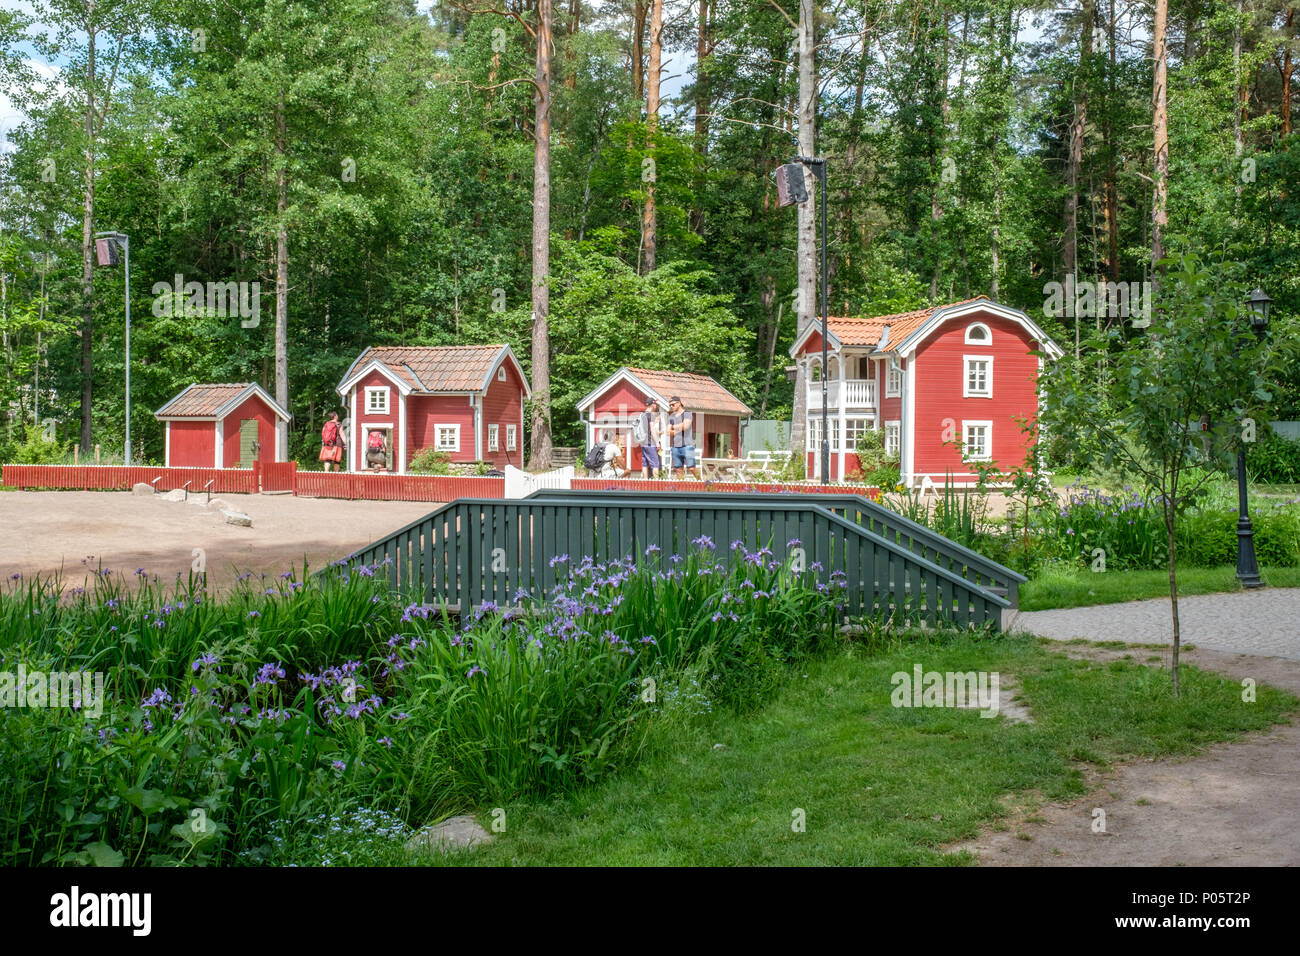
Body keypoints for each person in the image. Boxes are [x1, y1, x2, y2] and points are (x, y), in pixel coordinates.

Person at [666, 395, 695, 479]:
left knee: (691, 468)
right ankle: (681, 488)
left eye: (673, 404)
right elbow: (668, 432)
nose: (671, 406)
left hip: (688, 445)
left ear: (679, 403)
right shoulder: (671, 416)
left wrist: (674, 427)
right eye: (670, 405)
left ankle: (702, 483)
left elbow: (686, 426)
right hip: (675, 446)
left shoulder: (687, 413)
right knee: (678, 469)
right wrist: (679, 427)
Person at [634, 397, 662, 478]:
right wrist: (657, 443)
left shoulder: (642, 415)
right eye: (655, 404)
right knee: (655, 464)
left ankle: (645, 482)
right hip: (651, 444)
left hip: (643, 444)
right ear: (652, 405)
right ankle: (656, 483)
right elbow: (652, 430)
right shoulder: (650, 415)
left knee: (645, 464)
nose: (656, 405)